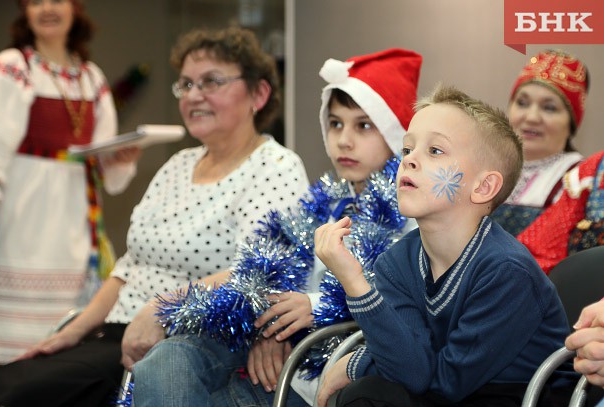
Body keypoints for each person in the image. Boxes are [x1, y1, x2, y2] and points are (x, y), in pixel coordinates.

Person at [0, 26, 309, 407]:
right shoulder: (177, 165)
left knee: (16, 394)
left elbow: (257, 268)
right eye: (186, 84)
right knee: (11, 379)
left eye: (211, 82)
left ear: (258, 93)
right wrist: (73, 330)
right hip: (117, 331)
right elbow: (130, 264)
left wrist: (160, 309)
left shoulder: (274, 166)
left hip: (183, 341)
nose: (194, 95)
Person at [131, 48, 422, 406]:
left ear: (396, 135)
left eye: (363, 126)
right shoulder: (323, 204)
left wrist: (309, 309)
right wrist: (268, 328)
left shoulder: (410, 212)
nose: (344, 139)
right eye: (335, 124)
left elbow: (397, 302)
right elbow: (269, 273)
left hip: (322, 372)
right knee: (170, 359)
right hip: (276, 355)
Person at [315, 85, 575, 407]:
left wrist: (359, 361)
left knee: (374, 392)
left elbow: (445, 383)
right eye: (407, 150)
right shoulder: (396, 263)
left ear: (483, 187)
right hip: (446, 391)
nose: (408, 161)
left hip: (520, 398)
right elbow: (414, 371)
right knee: (371, 394)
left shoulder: (507, 270)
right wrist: (355, 282)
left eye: (435, 151)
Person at [0, 0, 141, 364]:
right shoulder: (14, 66)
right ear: (24, 12)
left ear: (76, 9)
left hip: (74, 221)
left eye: (57, 0)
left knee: (62, 345)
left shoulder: (91, 77)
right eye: (36, 1)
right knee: (10, 346)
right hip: (20, 217)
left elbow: (111, 177)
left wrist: (120, 160)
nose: (47, 8)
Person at [490, 50, 588, 238]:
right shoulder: (484, 165)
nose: (532, 117)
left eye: (549, 108)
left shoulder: (580, 180)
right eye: (522, 103)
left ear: (571, 123)